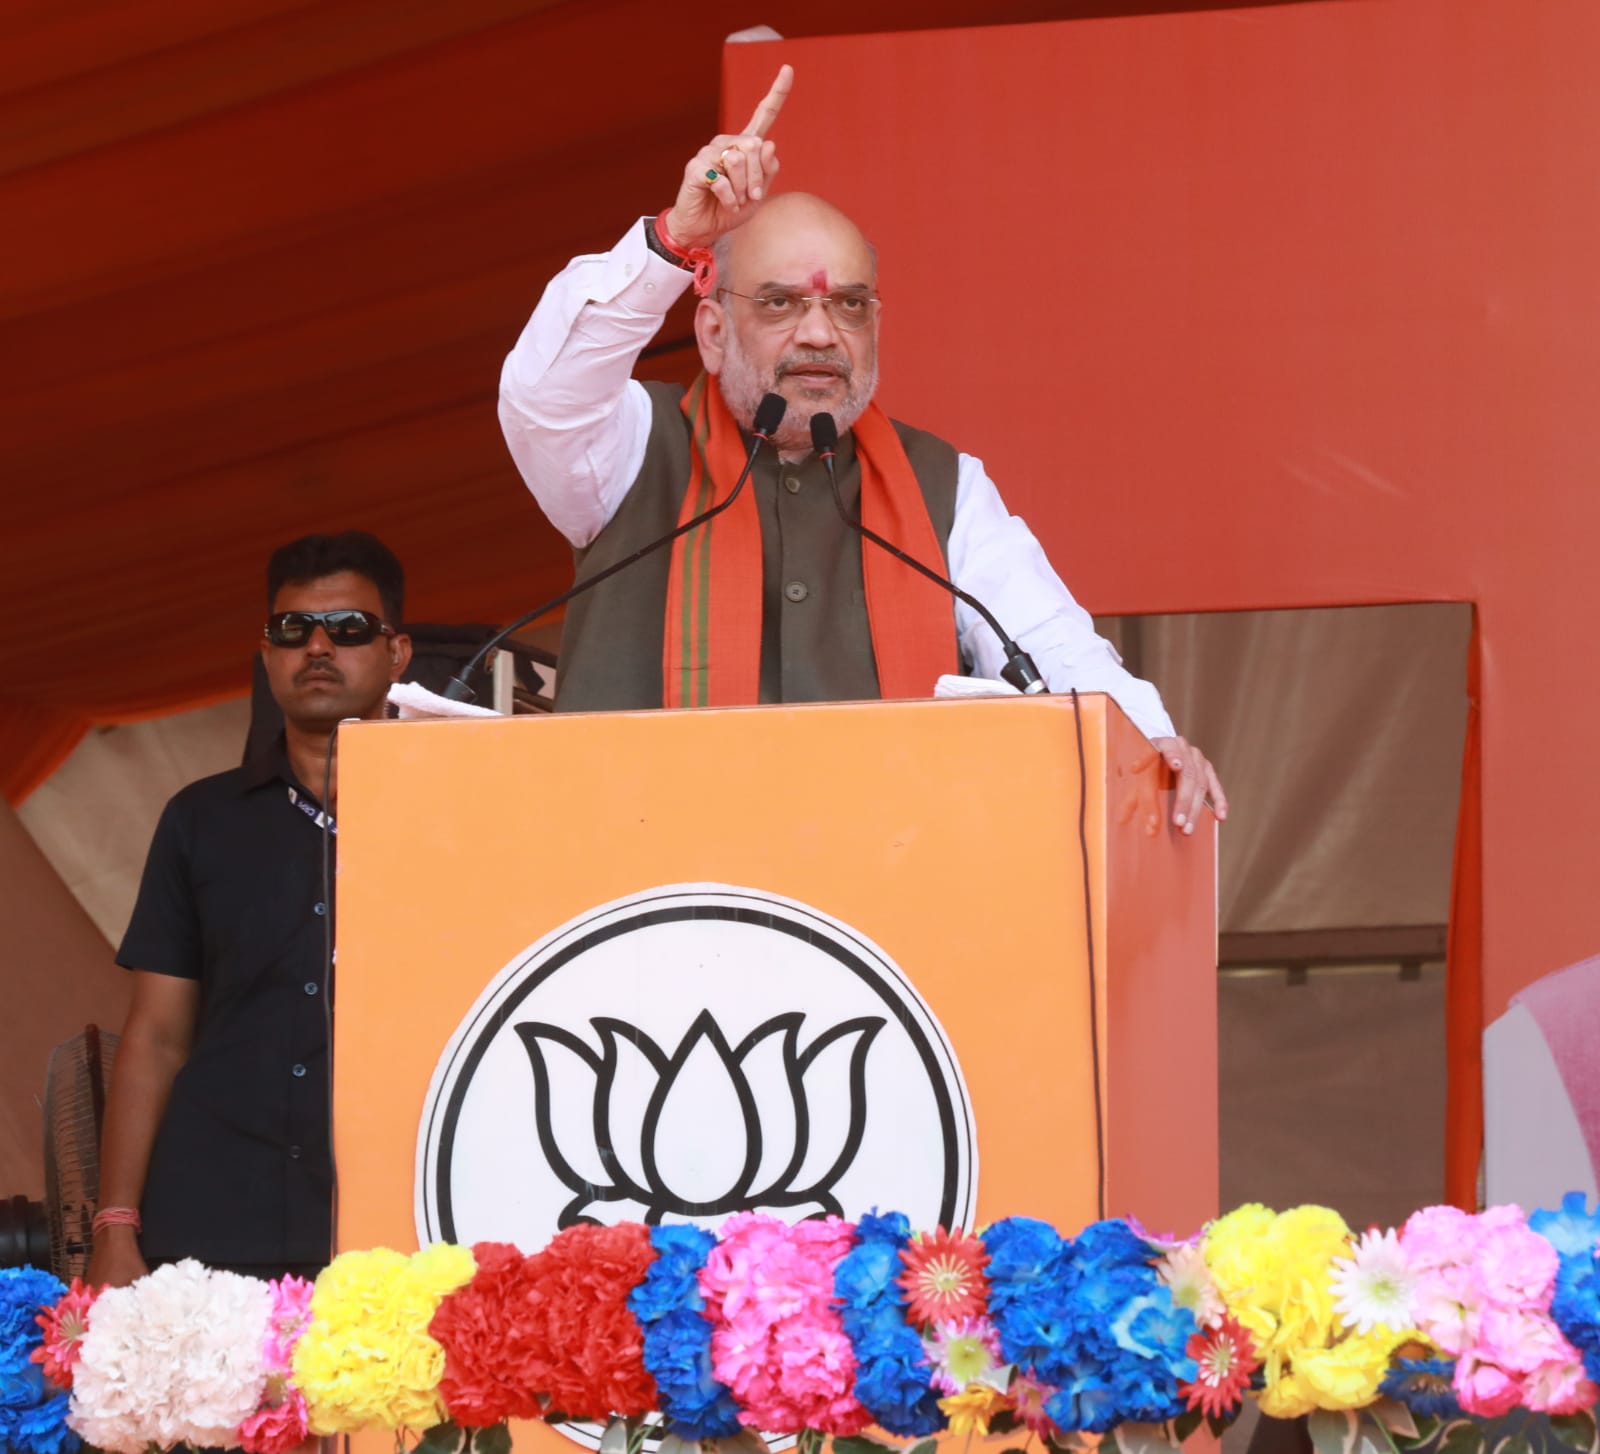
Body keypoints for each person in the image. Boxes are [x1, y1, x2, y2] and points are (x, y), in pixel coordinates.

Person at [497, 64, 1225, 831]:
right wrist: (675, 242)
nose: (820, 332)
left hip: (879, 909)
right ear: (711, 332)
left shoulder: (942, 484)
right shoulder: (630, 449)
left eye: (849, 305)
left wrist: (1149, 742)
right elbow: (541, 395)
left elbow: (1050, 643)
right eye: (780, 303)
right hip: (640, 898)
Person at [86, 532, 413, 1288]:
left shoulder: (456, 810)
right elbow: (157, 1034)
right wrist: (116, 1225)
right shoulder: (200, 819)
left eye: (350, 628)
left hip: (396, 1210)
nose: (318, 648)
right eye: (292, 631)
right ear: (267, 658)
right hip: (212, 1216)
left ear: (397, 653)